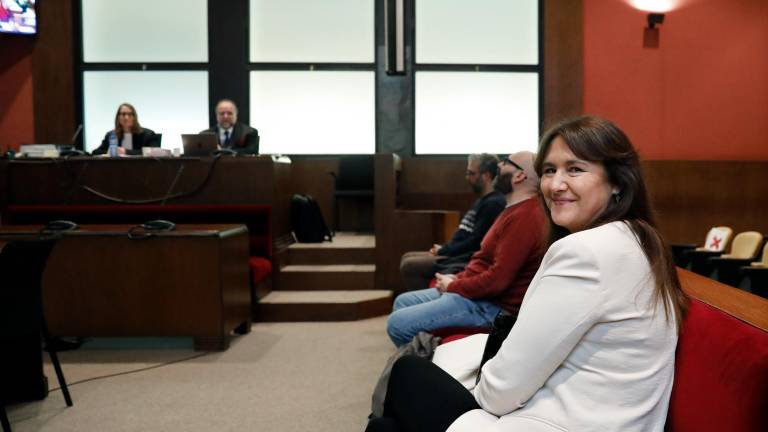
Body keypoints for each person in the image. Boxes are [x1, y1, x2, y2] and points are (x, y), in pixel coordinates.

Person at [367, 116, 689, 432]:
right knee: (387, 425)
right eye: (549, 170)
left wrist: (471, 387)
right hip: (588, 413)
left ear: (618, 181)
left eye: (575, 169)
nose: (555, 184)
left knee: (408, 373)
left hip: (563, 421)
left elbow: (501, 392)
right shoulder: (635, 238)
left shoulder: (587, 253)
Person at [387, 151, 546, 347]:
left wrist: (453, 286)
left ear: (520, 175)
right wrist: (459, 278)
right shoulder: (513, 209)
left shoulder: (526, 218)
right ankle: (412, 359)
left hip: (492, 307)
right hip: (480, 295)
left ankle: (426, 369)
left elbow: (497, 281)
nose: (498, 166)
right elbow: (484, 262)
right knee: (402, 302)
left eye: (505, 162)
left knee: (397, 324)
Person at [399, 154, 506, 292]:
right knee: (407, 257)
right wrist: (445, 247)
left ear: (486, 175)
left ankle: (425, 304)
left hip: (463, 258)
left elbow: (475, 242)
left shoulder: (494, 203)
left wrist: (444, 250)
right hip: (455, 252)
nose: (467, 177)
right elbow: (464, 234)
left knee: (409, 265)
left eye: (471, 173)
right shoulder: (482, 200)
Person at [92, 103, 160, 156]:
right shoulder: (111, 135)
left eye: (130, 114)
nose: (126, 117)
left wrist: (126, 151)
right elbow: (95, 152)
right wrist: (110, 151)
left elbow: (154, 152)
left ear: (134, 117)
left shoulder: (148, 135)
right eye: (123, 114)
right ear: (118, 117)